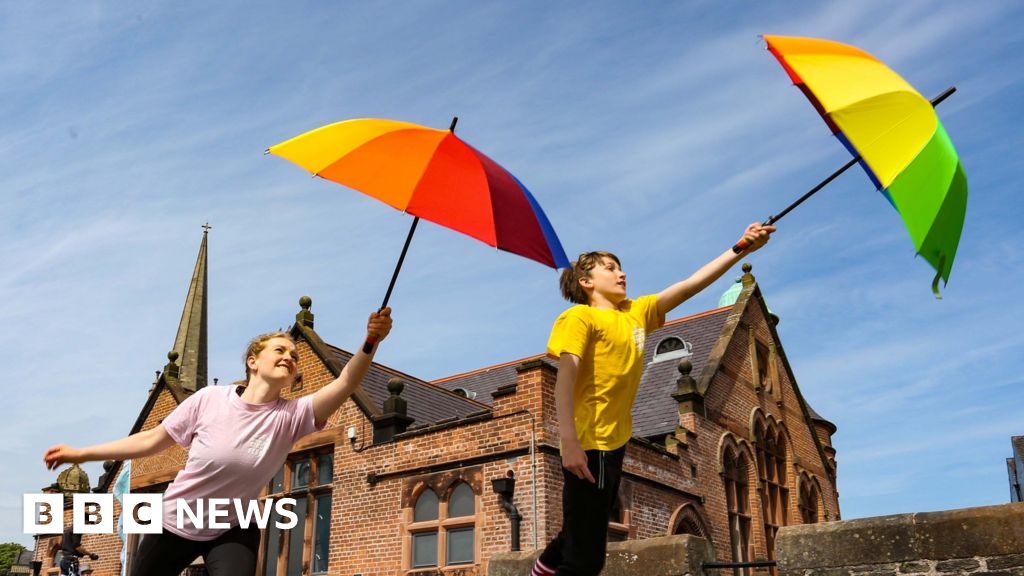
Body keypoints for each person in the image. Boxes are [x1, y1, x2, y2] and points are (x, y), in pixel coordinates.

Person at [44, 308, 393, 576]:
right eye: (280, 350)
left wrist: (370, 341)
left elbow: (345, 382)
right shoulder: (209, 399)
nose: (289, 356)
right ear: (253, 361)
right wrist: (82, 452)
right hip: (175, 521)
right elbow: (151, 441)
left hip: (233, 526)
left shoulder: (292, 416)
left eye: (294, 355)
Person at [533, 223, 774, 576]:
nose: (622, 273)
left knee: (581, 529)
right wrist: (568, 441)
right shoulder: (579, 317)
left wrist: (741, 248)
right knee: (586, 559)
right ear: (586, 282)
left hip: (615, 442)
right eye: (610, 268)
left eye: (620, 266)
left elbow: (690, 285)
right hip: (590, 442)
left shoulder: (636, 312)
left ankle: (540, 569)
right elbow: (565, 377)